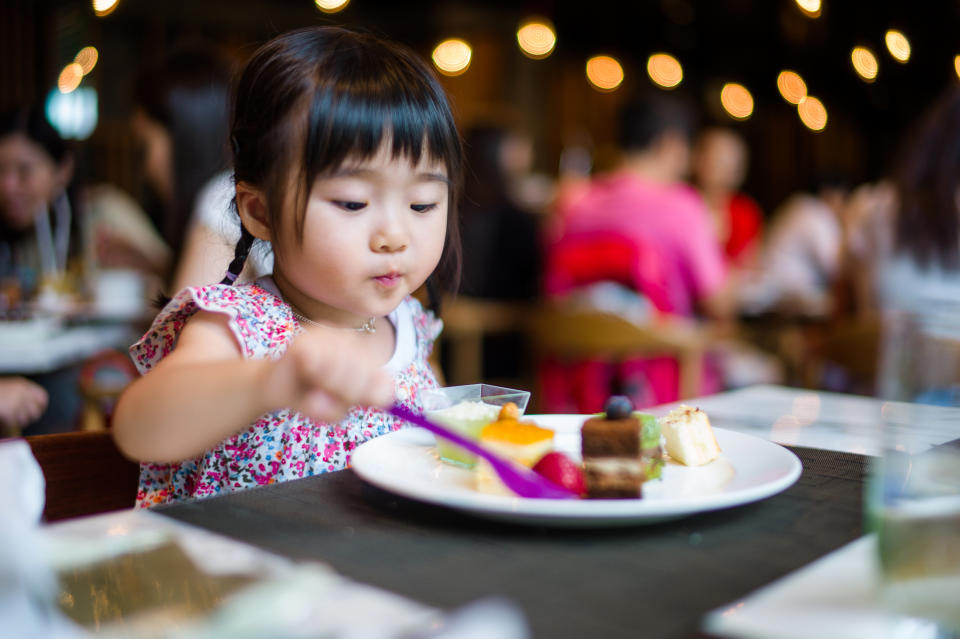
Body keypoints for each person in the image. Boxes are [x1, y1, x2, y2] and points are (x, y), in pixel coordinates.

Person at [112, 26, 464, 508]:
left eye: (422, 205)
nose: (395, 236)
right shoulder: (239, 327)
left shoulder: (410, 328)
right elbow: (140, 429)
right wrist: (267, 382)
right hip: (246, 574)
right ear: (260, 212)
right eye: (352, 202)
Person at [541, 94, 733, 411]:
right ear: (670, 144)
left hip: (580, 391)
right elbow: (719, 303)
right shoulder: (684, 206)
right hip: (663, 393)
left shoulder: (574, 202)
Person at [130, 43, 268, 293]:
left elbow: (182, 327)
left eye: (145, 147)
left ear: (185, 138)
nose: (147, 170)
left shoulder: (223, 199)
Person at [690, 126, 764, 269]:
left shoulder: (745, 211)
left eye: (731, 160)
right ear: (696, 159)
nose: (724, 167)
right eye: (716, 157)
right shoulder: (681, 205)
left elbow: (749, 265)